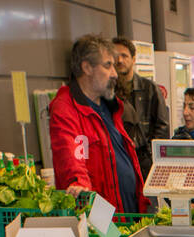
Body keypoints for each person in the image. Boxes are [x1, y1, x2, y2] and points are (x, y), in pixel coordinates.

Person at [49, 34, 146, 213]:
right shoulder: (67, 109)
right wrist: (79, 183)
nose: (115, 74)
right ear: (87, 67)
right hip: (101, 219)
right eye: (108, 65)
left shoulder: (111, 106)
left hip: (129, 212)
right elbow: (71, 155)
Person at [110, 36, 171, 179]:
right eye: (115, 56)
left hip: (144, 162)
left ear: (133, 59)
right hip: (117, 161)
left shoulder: (150, 88)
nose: (119, 60)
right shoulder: (106, 90)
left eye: (124, 56)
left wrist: (150, 156)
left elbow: (162, 127)